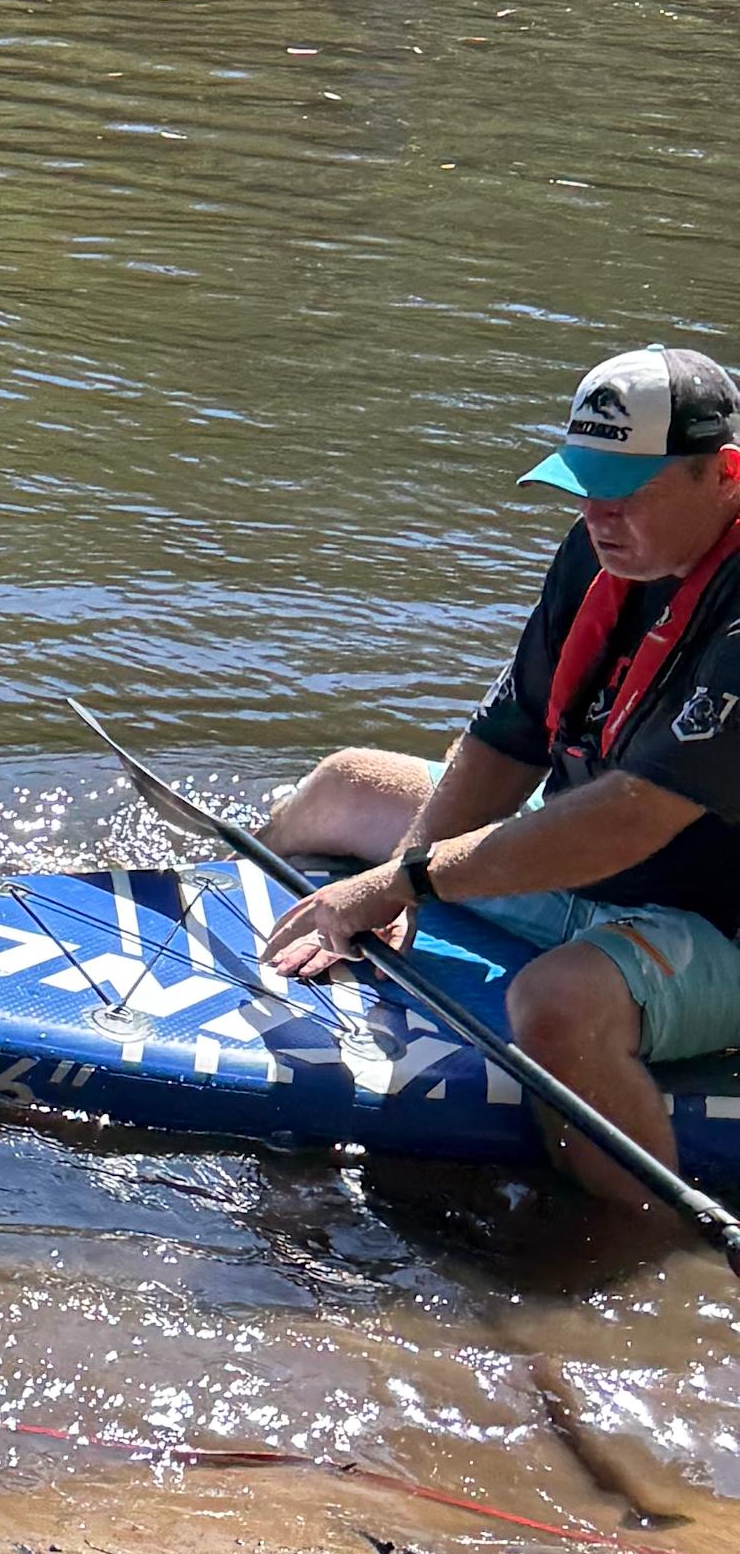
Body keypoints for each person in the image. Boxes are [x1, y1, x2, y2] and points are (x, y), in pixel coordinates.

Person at [259, 343, 740, 1208]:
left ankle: (645, 1257)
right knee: (344, 784)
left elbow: (630, 818)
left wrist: (404, 879)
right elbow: (507, 739)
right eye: (586, 486)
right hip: (588, 873)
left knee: (553, 1003)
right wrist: (402, 881)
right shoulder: (601, 554)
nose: (599, 515)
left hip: (715, 920)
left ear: (725, 475)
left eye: (627, 492)